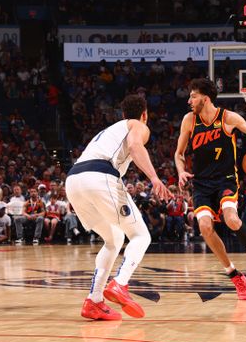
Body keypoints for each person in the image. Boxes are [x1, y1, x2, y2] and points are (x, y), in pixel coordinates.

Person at [174, 78, 246, 300]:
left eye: (193, 96)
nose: (189, 100)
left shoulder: (227, 118)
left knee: (232, 219)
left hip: (225, 180)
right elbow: (179, 153)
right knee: (204, 226)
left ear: (204, 99)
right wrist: (180, 171)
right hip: (202, 184)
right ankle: (235, 276)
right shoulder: (189, 120)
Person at [66, 94, 171, 321]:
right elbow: (134, 145)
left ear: (123, 114)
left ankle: (94, 301)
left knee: (114, 239)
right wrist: (154, 178)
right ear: (145, 115)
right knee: (141, 235)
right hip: (99, 176)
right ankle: (120, 284)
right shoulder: (138, 125)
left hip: (73, 181)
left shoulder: (107, 132)